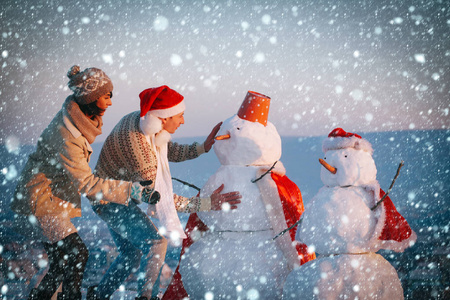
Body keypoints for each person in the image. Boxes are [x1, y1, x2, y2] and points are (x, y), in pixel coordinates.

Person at [10, 65, 154, 300]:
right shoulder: (68, 135)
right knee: (77, 254)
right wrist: (132, 189)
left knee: (60, 262)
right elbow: (86, 183)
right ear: (91, 98)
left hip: (48, 197)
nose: (109, 103)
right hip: (40, 199)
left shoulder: (76, 118)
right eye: (106, 96)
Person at [87, 85, 242, 300]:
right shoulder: (142, 152)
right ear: (164, 118)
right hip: (109, 200)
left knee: (131, 254)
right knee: (156, 244)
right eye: (180, 116)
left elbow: (168, 149)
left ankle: (98, 296)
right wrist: (207, 203)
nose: (183, 121)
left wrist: (203, 147)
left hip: (112, 193)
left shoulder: (142, 121)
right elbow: (161, 198)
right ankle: (146, 297)